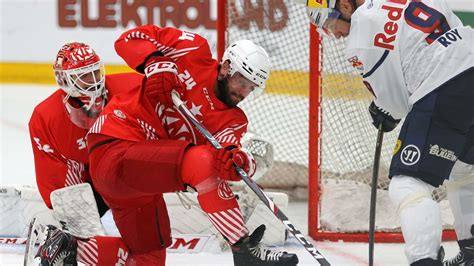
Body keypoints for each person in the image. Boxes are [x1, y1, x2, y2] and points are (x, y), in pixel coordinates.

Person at [37, 26, 299, 266]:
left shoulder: (234, 119)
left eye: (251, 89)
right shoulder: (192, 49)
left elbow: (229, 149)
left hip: (141, 181)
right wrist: (155, 61)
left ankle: (64, 246)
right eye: (242, 83)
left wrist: (236, 160)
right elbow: (128, 39)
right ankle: (244, 250)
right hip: (115, 146)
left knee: (149, 258)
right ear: (226, 67)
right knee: (202, 163)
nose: (243, 93)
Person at [300, 0, 474, 265]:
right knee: (464, 171)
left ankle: (424, 260)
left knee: (408, 183)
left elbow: (396, 103)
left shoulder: (361, 34)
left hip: (445, 85)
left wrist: (383, 111)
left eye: (329, 23)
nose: (333, 33)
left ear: (345, 6)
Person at [29, 42, 143, 265]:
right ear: (64, 80)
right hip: (93, 183)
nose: (94, 80)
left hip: (133, 171)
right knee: (73, 236)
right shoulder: (46, 118)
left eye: (94, 72)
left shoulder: (131, 87)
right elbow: (60, 187)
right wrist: (74, 229)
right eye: (84, 76)